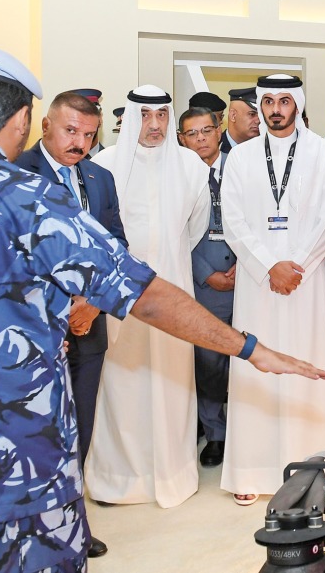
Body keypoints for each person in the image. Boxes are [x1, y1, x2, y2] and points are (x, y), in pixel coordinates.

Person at [0, 43, 325, 573]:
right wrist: (250, 348)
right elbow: (142, 294)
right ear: (24, 119)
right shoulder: (29, 201)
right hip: (16, 464)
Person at [220, 74, 325, 503]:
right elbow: (233, 221)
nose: (276, 109)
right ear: (260, 105)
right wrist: (268, 265)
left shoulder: (324, 153)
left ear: (297, 104)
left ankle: (314, 467)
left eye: (284, 101)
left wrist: (296, 265)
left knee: (307, 362)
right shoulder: (239, 158)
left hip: (305, 283)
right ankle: (251, 473)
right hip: (259, 285)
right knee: (255, 365)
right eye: (269, 101)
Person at [84, 85, 211, 508]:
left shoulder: (191, 165)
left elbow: (194, 228)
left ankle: (173, 472)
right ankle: (121, 477)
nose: (154, 124)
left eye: (161, 115)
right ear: (132, 117)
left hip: (173, 289)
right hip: (120, 298)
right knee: (123, 384)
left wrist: (167, 260)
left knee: (173, 383)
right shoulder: (102, 165)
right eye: (146, 115)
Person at [15, 90, 124, 559]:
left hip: (90, 327)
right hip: (34, 335)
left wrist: (95, 303)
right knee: (34, 434)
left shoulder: (100, 178)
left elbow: (115, 245)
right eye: (70, 131)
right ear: (45, 126)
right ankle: (24, 530)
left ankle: (70, 524)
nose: (79, 142)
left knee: (79, 428)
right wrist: (62, 307)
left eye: (88, 134)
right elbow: (12, 258)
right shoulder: (16, 174)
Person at [178, 106, 236, 470]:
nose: (200, 139)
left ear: (219, 130)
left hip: (249, 280)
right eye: (192, 134)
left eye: (206, 131)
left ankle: (247, 434)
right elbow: (174, 230)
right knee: (209, 362)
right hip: (204, 283)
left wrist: (247, 267)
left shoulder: (244, 165)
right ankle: (215, 434)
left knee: (249, 360)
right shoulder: (177, 174)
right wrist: (205, 273)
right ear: (182, 139)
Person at [219, 87, 259, 153]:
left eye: (261, 115)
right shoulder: (213, 149)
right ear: (233, 116)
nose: (258, 121)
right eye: (252, 114)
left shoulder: (267, 149)